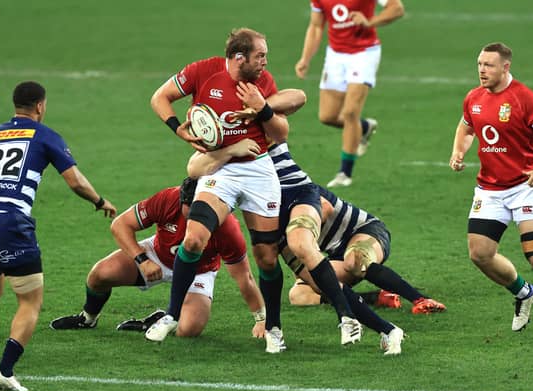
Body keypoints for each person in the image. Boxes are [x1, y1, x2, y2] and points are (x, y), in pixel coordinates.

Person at [148, 28, 356, 353]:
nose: (265, 62)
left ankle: (273, 327)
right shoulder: (202, 71)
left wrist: (261, 108)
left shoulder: (262, 83)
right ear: (239, 57)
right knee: (193, 238)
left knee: (267, 258)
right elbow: (159, 98)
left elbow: (282, 132)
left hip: (259, 170)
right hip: (222, 169)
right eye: (260, 55)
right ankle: (171, 315)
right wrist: (179, 131)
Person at [188, 90, 407, 355]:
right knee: (295, 274)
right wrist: (228, 150)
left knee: (302, 244)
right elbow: (194, 168)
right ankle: (388, 330)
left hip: (298, 191)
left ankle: (345, 318)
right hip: (268, 212)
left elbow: (298, 97)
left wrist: (261, 107)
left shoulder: (260, 118)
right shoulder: (221, 141)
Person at [0, 81, 117, 391]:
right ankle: (4, 371)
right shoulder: (44, 135)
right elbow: (75, 181)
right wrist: (99, 201)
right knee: (30, 300)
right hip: (11, 223)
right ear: (40, 106)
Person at [49, 178, 266, 339]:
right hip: (157, 255)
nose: (196, 222)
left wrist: (261, 318)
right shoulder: (168, 199)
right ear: (182, 199)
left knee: (189, 330)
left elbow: (244, 277)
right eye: (191, 214)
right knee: (100, 274)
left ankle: (158, 319)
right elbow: (120, 225)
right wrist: (142, 259)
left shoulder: (228, 228)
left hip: (199, 272)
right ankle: (87, 319)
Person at [450, 42, 533, 331]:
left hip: (524, 188)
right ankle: (523, 293)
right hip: (489, 190)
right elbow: (467, 127)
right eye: (480, 64)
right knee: (479, 253)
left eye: (489, 65)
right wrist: (459, 151)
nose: (482, 70)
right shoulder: (474, 97)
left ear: (505, 67)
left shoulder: (524, 98)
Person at [285, 185, 446, 316]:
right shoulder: (268, 215)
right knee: (298, 295)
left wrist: (307, 242)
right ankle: (375, 298)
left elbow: (326, 208)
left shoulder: (292, 184)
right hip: (337, 254)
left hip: (365, 230)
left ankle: (421, 300)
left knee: (355, 259)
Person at [295, 0, 404, 187]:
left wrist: (371, 22)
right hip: (335, 56)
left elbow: (397, 8)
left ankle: (344, 173)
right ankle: (364, 127)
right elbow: (315, 26)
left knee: (350, 112)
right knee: (327, 116)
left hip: (364, 53)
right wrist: (305, 58)